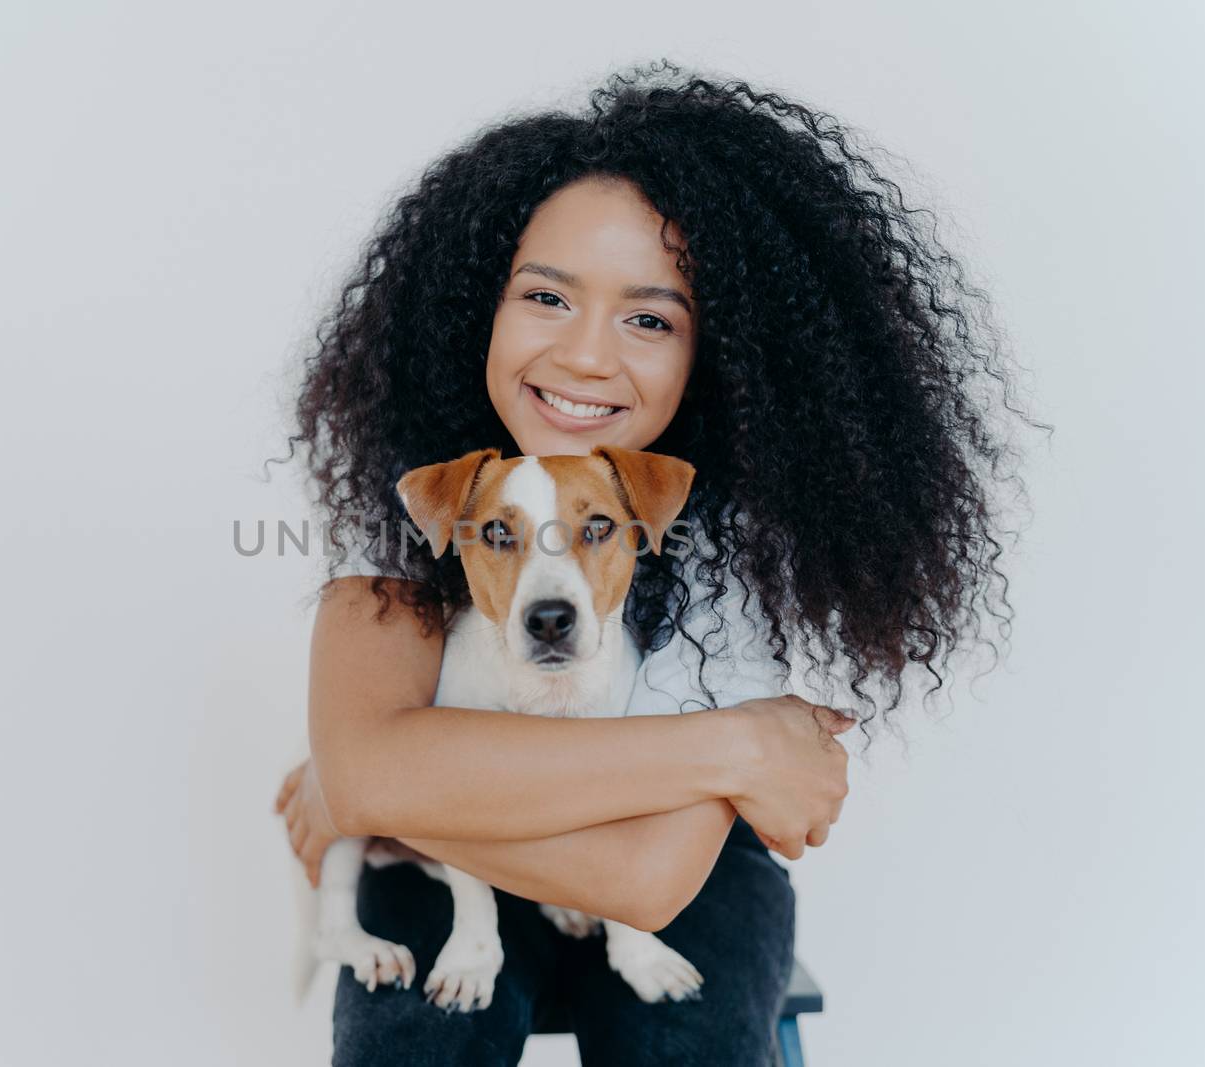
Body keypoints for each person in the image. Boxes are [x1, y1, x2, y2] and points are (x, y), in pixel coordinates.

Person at [269, 60, 1041, 1066]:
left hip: (678, 862)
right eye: (546, 295)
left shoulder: (746, 532)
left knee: (687, 1041)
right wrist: (741, 747)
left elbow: (643, 874)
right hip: (457, 870)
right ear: (475, 309)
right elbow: (371, 769)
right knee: (414, 1034)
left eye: (649, 317)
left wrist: (388, 794)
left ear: (714, 350)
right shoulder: (419, 496)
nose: (589, 356)